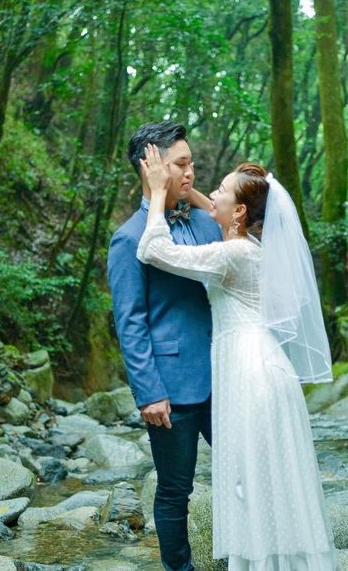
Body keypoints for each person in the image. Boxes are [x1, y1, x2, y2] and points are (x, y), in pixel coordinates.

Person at [136, 144, 339, 571]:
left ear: (241, 211)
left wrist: (156, 192)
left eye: (222, 190)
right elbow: (216, 208)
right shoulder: (250, 245)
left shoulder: (232, 254)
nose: (211, 193)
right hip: (266, 367)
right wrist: (194, 196)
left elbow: (154, 249)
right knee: (269, 481)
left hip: (251, 375)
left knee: (253, 482)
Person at [107, 122, 222, 571]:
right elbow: (130, 322)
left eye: (192, 163)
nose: (191, 172)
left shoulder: (206, 222)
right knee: (175, 491)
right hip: (171, 388)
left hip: (227, 374)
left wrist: (194, 196)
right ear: (151, 168)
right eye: (181, 164)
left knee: (247, 475)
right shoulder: (129, 238)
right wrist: (149, 392)